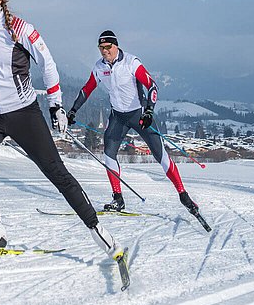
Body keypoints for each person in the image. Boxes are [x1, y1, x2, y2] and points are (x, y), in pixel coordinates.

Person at [0, 0, 123, 261]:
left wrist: (55, 104)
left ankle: (97, 229)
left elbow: (48, 65)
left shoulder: (20, 29)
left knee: (56, 172)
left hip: (23, 113)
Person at [67, 30, 204, 217]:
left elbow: (152, 86)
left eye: (108, 47)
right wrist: (74, 110)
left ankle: (184, 196)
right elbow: (87, 89)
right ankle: (118, 198)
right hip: (118, 117)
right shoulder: (99, 67)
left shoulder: (131, 63)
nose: (105, 51)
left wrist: (149, 110)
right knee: (108, 154)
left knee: (161, 156)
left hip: (139, 115)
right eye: (101, 48)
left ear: (116, 46)